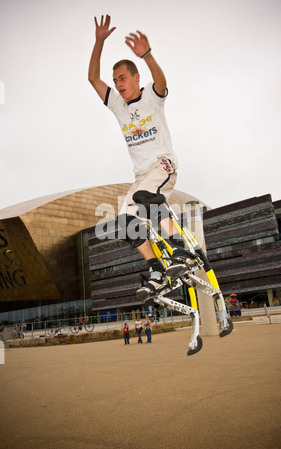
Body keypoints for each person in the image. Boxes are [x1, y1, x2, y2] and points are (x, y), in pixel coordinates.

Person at [88, 14, 196, 300]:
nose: (118, 84)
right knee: (124, 223)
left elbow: (162, 81)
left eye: (122, 78)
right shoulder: (118, 106)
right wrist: (98, 42)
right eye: (115, 80)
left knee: (144, 198)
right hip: (140, 177)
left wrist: (147, 56)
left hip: (163, 165)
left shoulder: (151, 96)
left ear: (136, 78)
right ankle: (157, 268)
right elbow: (92, 78)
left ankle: (182, 250)